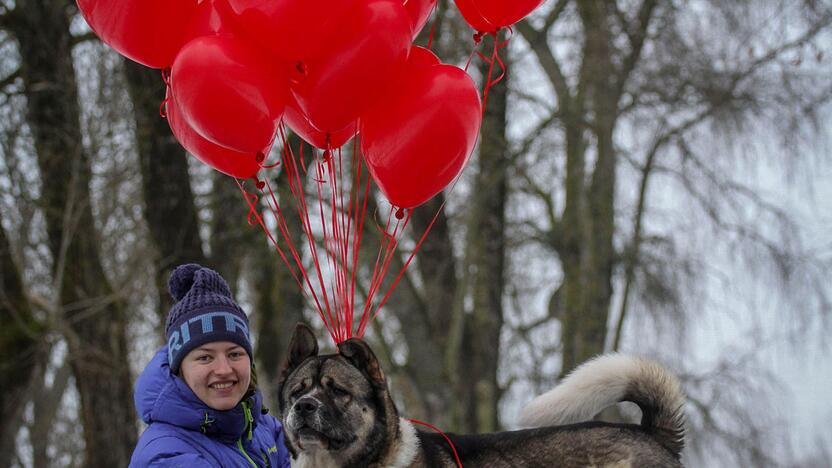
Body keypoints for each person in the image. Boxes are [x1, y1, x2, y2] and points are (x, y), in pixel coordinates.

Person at [130, 263, 291, 467]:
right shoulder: (164, 455)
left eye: (235, 354)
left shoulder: (266, 428)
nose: (224, 370)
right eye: (205, 358)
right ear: (179, 369)